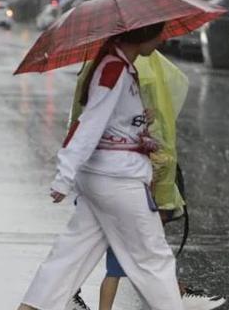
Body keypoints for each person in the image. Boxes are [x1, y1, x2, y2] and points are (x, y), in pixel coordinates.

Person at [65, 0, 225, 310]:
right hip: (133, 175)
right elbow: (140, 127)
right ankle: (170, 296)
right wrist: (159, 176)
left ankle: (67, 292)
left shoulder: (122, 58)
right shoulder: (133, 65)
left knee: (111, 247)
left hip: (121, 172)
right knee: (138, 251)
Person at [18, 22, 183, 310]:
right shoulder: (114, 70)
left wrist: (137, 124)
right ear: (142, 34)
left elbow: (107, 122)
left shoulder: (119, 67)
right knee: (154, 260)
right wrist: (63, 176)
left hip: (103, 179)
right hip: (118, 180)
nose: (161, 41)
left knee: (67, 261)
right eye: (158, 34)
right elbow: (88, 124)